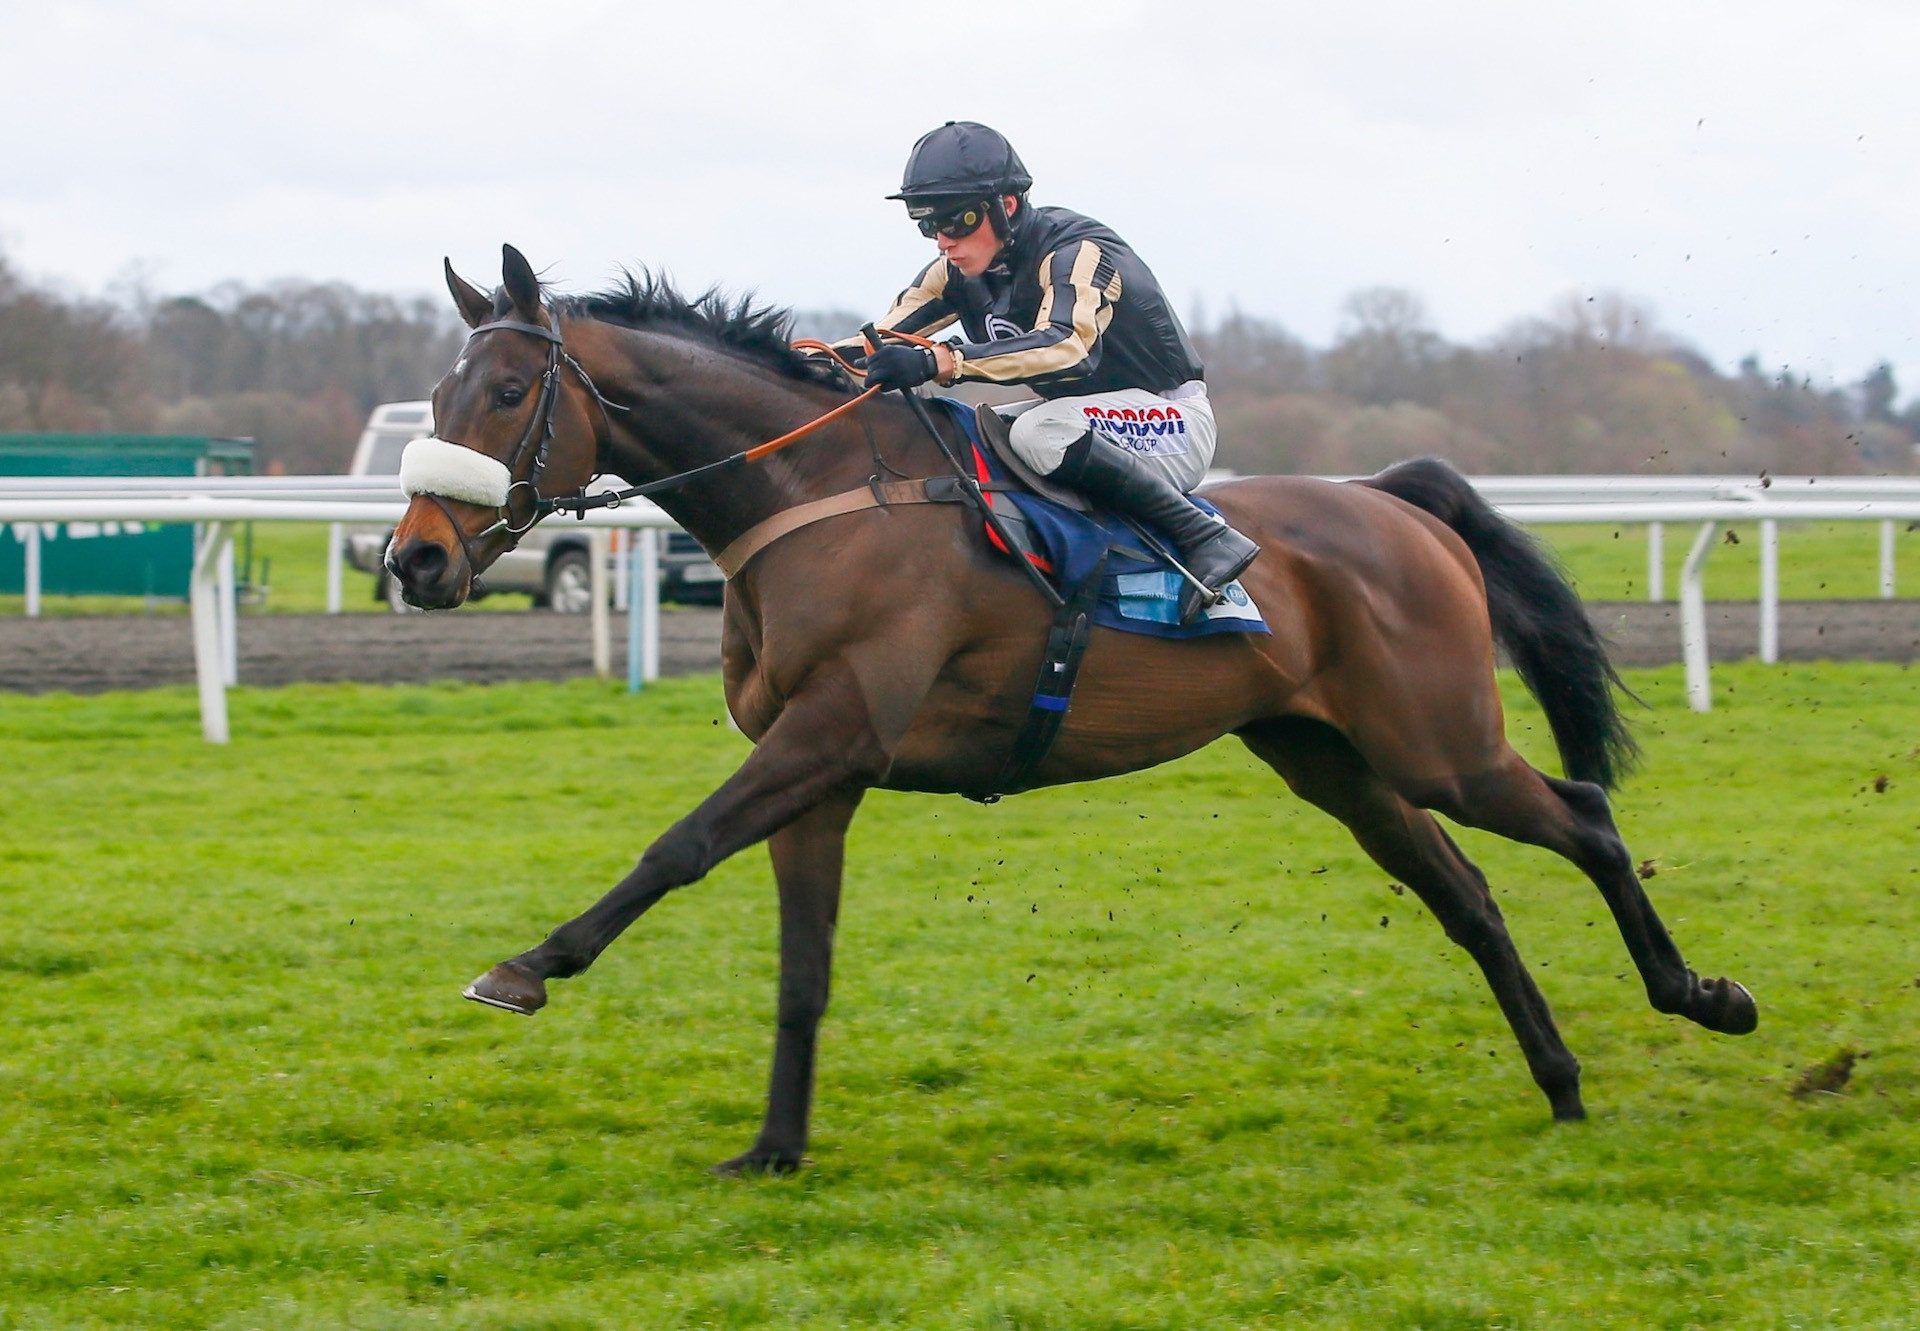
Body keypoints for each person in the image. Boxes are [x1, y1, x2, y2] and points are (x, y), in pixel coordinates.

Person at [852, 120, 1258, 623]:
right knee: (964, 426)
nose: (943, 241)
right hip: (1085, 420)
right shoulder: (955, 272)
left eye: (957, 222)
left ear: (1008, 206)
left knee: (1038, 430)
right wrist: (787, 361)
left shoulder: (1076, 251)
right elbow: (879, 341)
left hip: (1169, 419)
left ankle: (1206, 535)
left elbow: (1067, 347)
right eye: (928, 225)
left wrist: (945, 360)